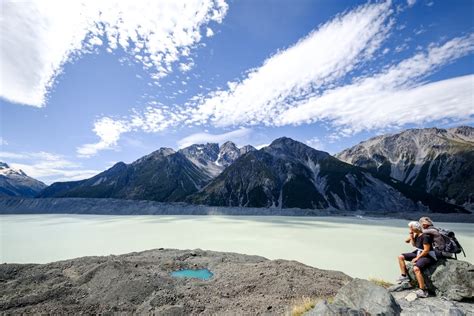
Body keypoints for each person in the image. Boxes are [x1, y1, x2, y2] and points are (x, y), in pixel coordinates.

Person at [397, 221, 437, 298]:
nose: (410, 229)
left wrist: (417, 258)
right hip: (419, 252)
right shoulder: (417, 235)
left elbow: (426, 250)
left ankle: (423, 290)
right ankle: (404, 276)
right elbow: (414, 245)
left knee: (416, 268)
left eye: (411, 228)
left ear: (414, 228)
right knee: (400, 257)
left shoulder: (425, 236)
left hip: (428, 255)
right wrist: (411, 236)